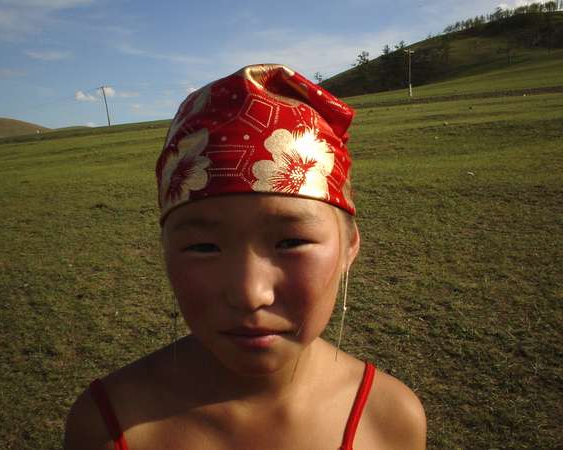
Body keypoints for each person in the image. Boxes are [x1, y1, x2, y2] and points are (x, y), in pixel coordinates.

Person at [64, 64, 426, 450]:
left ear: (349, 245)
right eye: (204, 247)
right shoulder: (106, 426)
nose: (250, 294)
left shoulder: (389, 418)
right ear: (166, 252)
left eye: (290, 242)